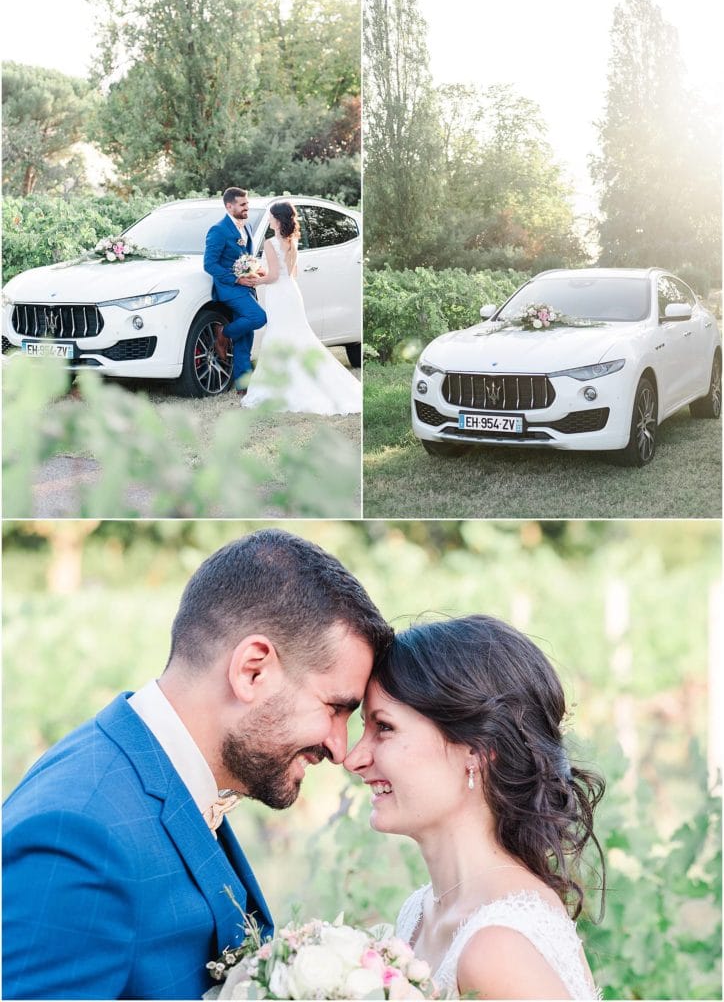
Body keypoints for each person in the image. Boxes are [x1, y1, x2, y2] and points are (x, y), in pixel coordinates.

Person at [2, 529, 392, 1001]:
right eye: (335, 708)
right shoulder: (78, 836)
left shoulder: (162, 779)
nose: (339, 747)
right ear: (253, 671)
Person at [345, 614, 606, 1000]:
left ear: (478, 751)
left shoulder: (497, 948)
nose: (354, 759)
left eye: (384, 727)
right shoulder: (418, 913)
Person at [242, 201, 362, 414]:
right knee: (298, 336)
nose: (269, 220)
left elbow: (274, 276)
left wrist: (255, 279)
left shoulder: (271, 243)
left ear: (278, 219)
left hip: (279, 294)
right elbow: (292, 273)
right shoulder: (293, 240)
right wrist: (265, 273)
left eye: (270, 217)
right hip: (292, 292)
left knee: (279, 337)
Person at [204, 187, 267, 395]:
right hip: (229, 288)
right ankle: (223, 333)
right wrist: (237, 279)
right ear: (229, 206)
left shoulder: (246, 227)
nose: (247, 207)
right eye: (242, 204)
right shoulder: (218, 230)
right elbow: (210, 264)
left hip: (245, 287)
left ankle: (243, 385)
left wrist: (254, 272)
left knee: (245, 337)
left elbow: (246, 257)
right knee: (258, 317)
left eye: (247, 204)